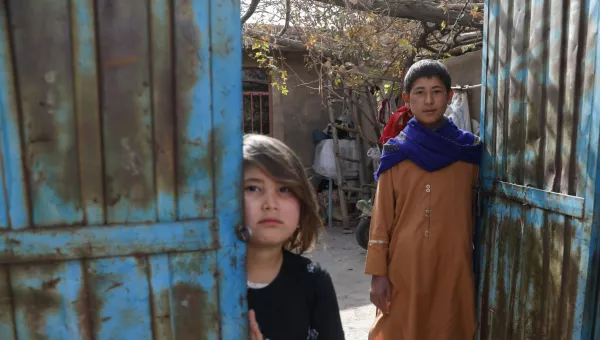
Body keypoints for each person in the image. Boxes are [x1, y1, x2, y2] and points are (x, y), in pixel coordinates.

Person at [365, 59, 483, 340]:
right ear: (407, 99)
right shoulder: (395, 152)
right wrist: (378, 274)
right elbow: (381, 219)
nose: (428, 100)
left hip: (454, 264)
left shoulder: (470, 151)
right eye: (419, 92)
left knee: (450, 328)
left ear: (450, 96)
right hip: (405, 267)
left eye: (436, 91)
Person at [243, 134, 345, 340]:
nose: (270, 204)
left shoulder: (313, 282)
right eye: (253, 188)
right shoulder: (201, 282)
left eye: (284, 189)